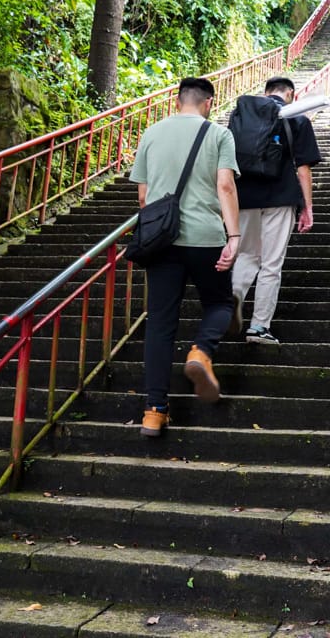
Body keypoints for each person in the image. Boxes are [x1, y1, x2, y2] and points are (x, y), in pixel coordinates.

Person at [128, 77, 241, 437]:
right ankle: (201, 353)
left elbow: (144, 198)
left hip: (163, 242)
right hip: (206, 238)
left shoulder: (152, 133)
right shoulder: (219, 134)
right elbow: (225, 185)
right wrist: (234, 235)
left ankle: (154, 411)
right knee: (221, 303)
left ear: (178, 101)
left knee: (160, 325)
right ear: (209, 102)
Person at [230, 77, 322, 345]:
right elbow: (303, 169)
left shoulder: (243, 116)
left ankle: (235, 293)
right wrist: (307, 207)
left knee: (247, 254)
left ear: (266, 92)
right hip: (281, 198)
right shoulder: (298, 119)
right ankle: (258, 327)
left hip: (244, 196)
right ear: (290, 94)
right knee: (271, 263)